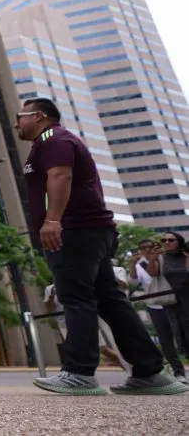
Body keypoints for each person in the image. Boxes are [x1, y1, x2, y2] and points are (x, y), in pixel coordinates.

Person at [16, 97, 186, 395]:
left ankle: (79, 373)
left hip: (75, 230)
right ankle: (150, 371)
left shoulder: (53, 138)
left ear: (39, 116)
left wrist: (53, 220)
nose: (16, 122)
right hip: (88, 230)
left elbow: (61, 175)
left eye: (21, 116)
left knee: (75, 297)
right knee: (109, 299)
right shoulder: (50, 142)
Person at [136, 239, 187, 384]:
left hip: (176, 303)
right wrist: (132, 266)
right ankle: (179, 372)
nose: (147, 249)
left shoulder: (167, 259)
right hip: (156, 306)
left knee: (183, 335)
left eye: (150, 247)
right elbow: (134, 281)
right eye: (143, 247)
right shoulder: (140, 265)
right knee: (166, 341)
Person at [150, 232, 189, 385]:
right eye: (163, 240)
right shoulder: (161, 257)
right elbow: (153, 274)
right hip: (170, 302)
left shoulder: (186, 256)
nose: (166, 242)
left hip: (187, 300)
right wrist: (153, 258)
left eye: (170, 240)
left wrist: (187, 257)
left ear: (179, 242)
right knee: (168, 338)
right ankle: (178, 372)